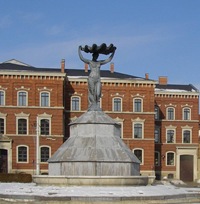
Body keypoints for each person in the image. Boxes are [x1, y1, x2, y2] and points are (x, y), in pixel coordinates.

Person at [78, 45, 116, 111]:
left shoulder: (99, 62)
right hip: (91, 78)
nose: (96, 57)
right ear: (93, 56)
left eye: (97, 56)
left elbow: (108, 60)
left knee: (98, 93)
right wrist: (79, 50)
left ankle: (96, 105)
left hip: (98, 79)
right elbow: (82, 58)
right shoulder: (90, 62)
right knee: (92, 92)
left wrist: (113, 52)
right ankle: (92, 105)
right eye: (95, 56)